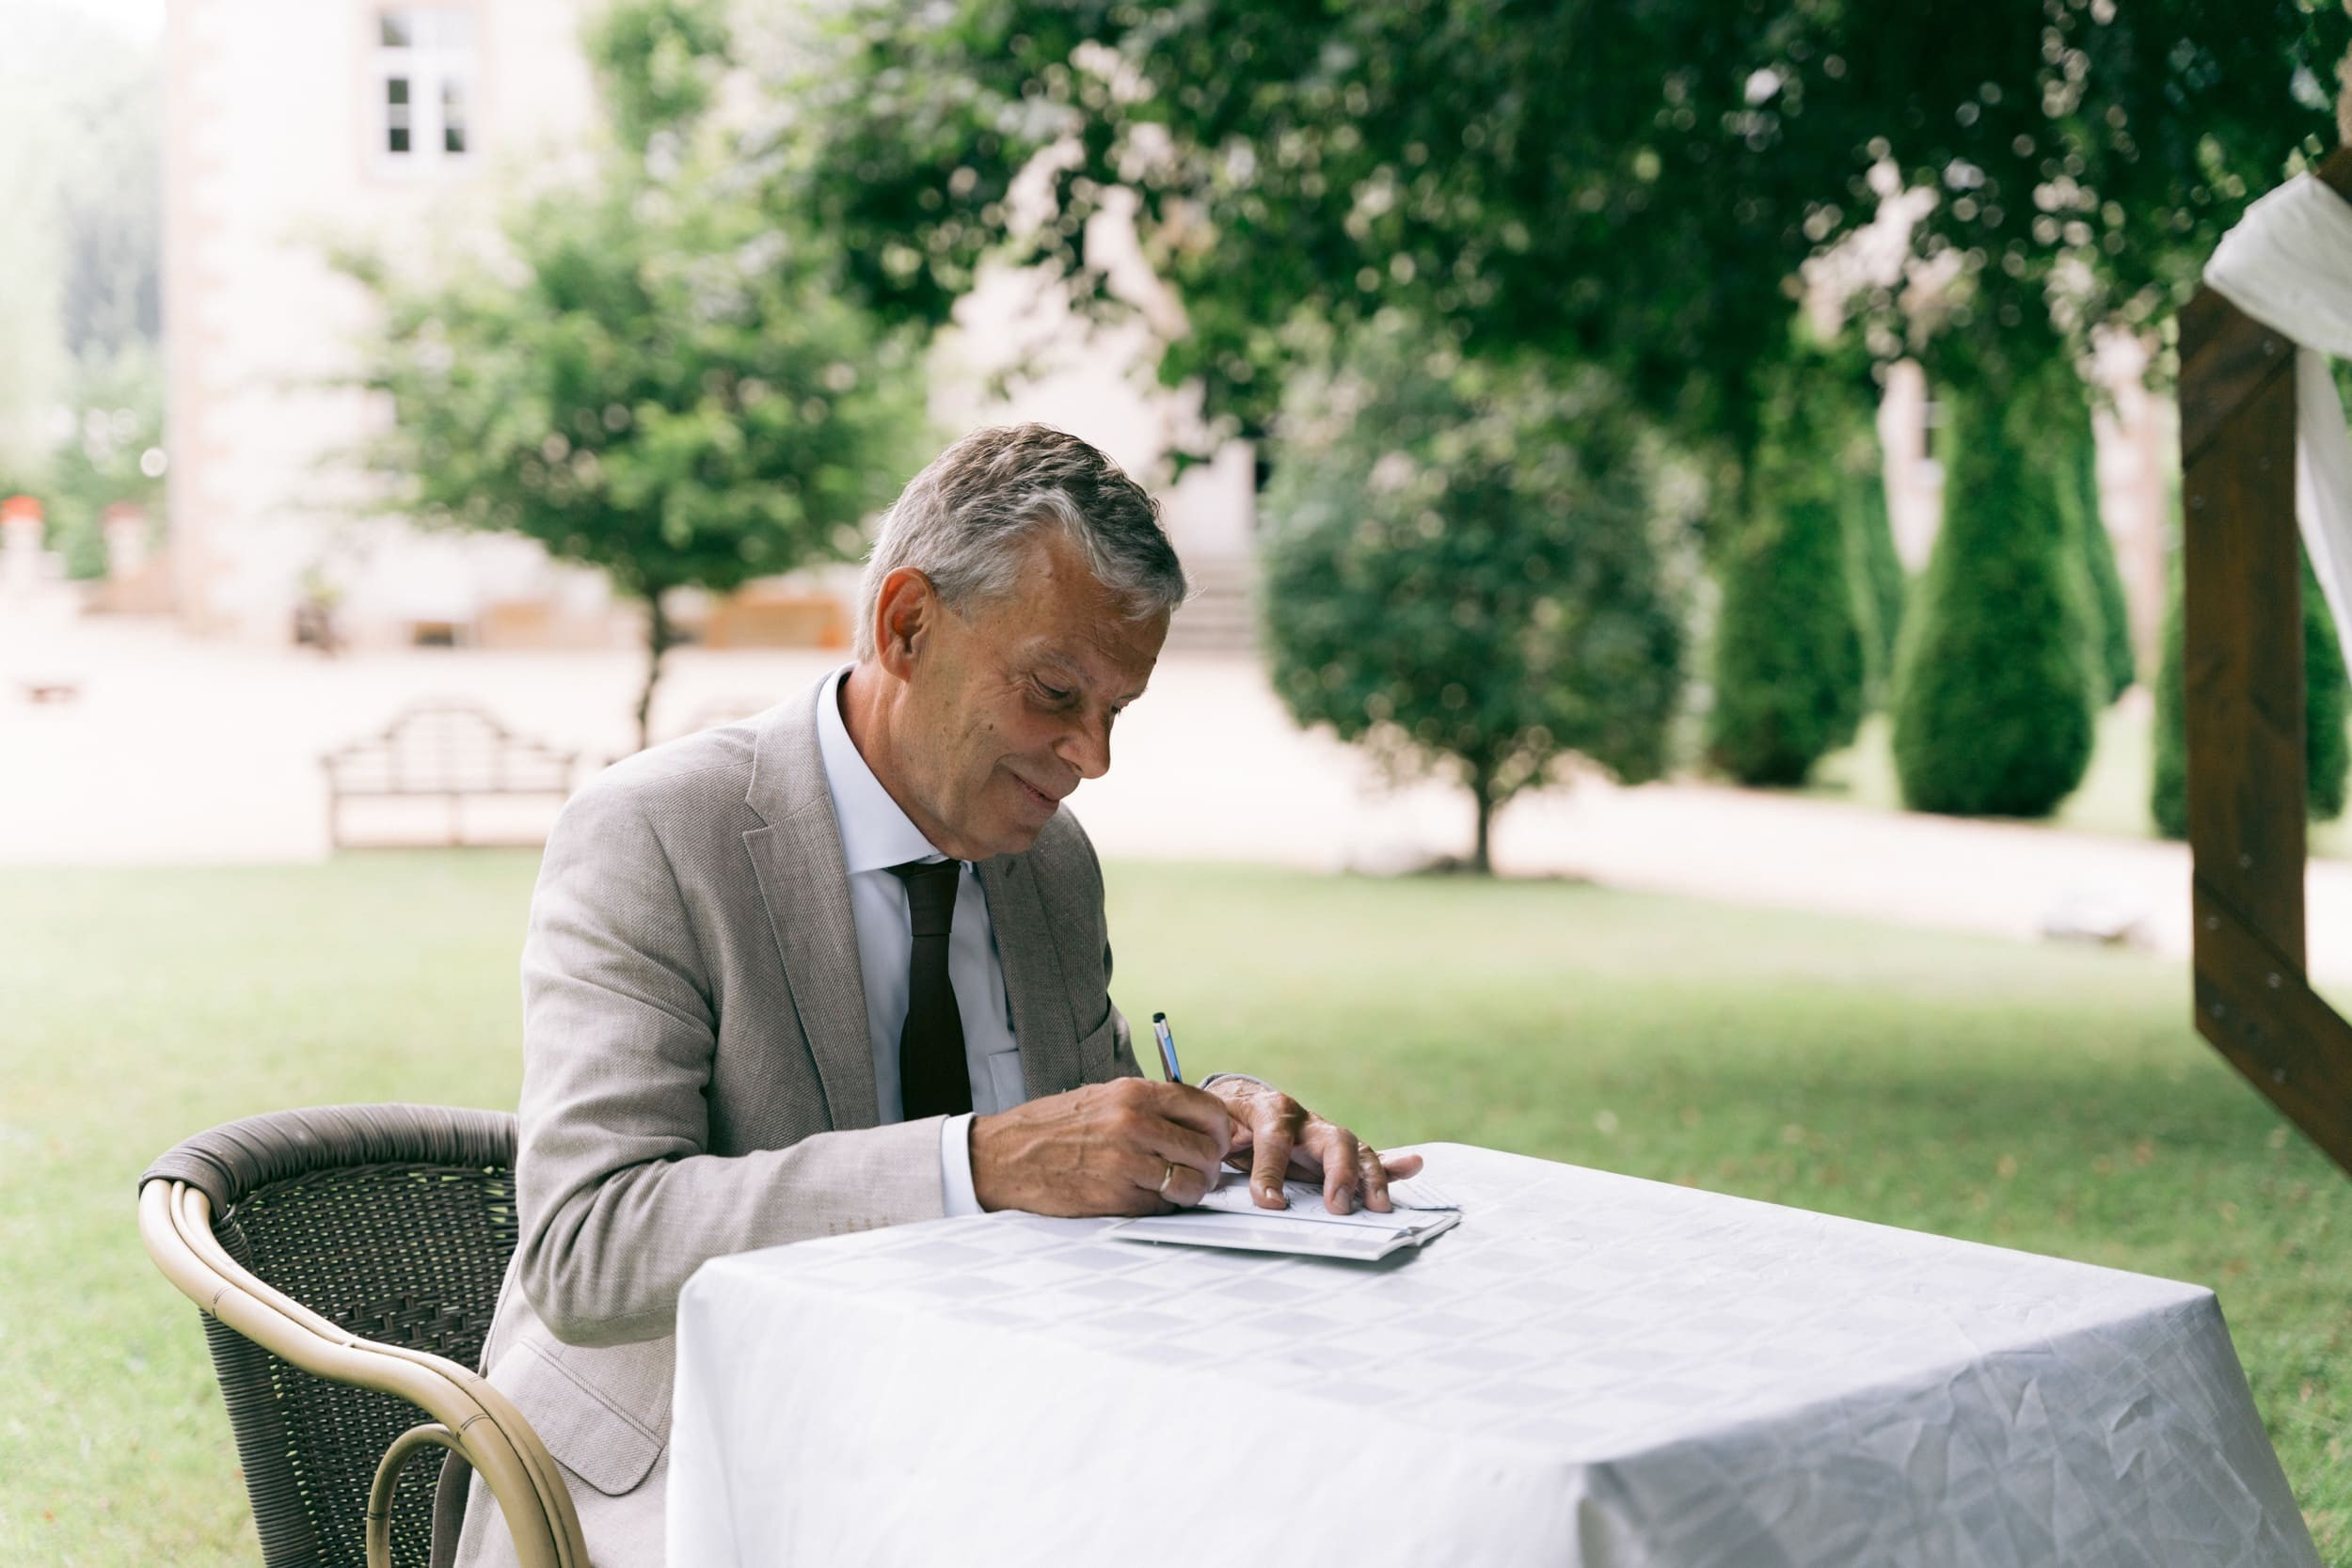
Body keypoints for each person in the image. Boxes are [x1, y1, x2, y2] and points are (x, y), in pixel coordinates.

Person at [448, 424, 1421, 1567]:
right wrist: (975, 1164)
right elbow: (586, 1248)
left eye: (1118, 710)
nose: (1091, 756)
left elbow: (1076, 1122)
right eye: (1058, 691)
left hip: (988, 1455)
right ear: (907, 625)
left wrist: (1217, 1120)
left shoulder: (1050, 864)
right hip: (690, 1477)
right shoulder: (656, 834)